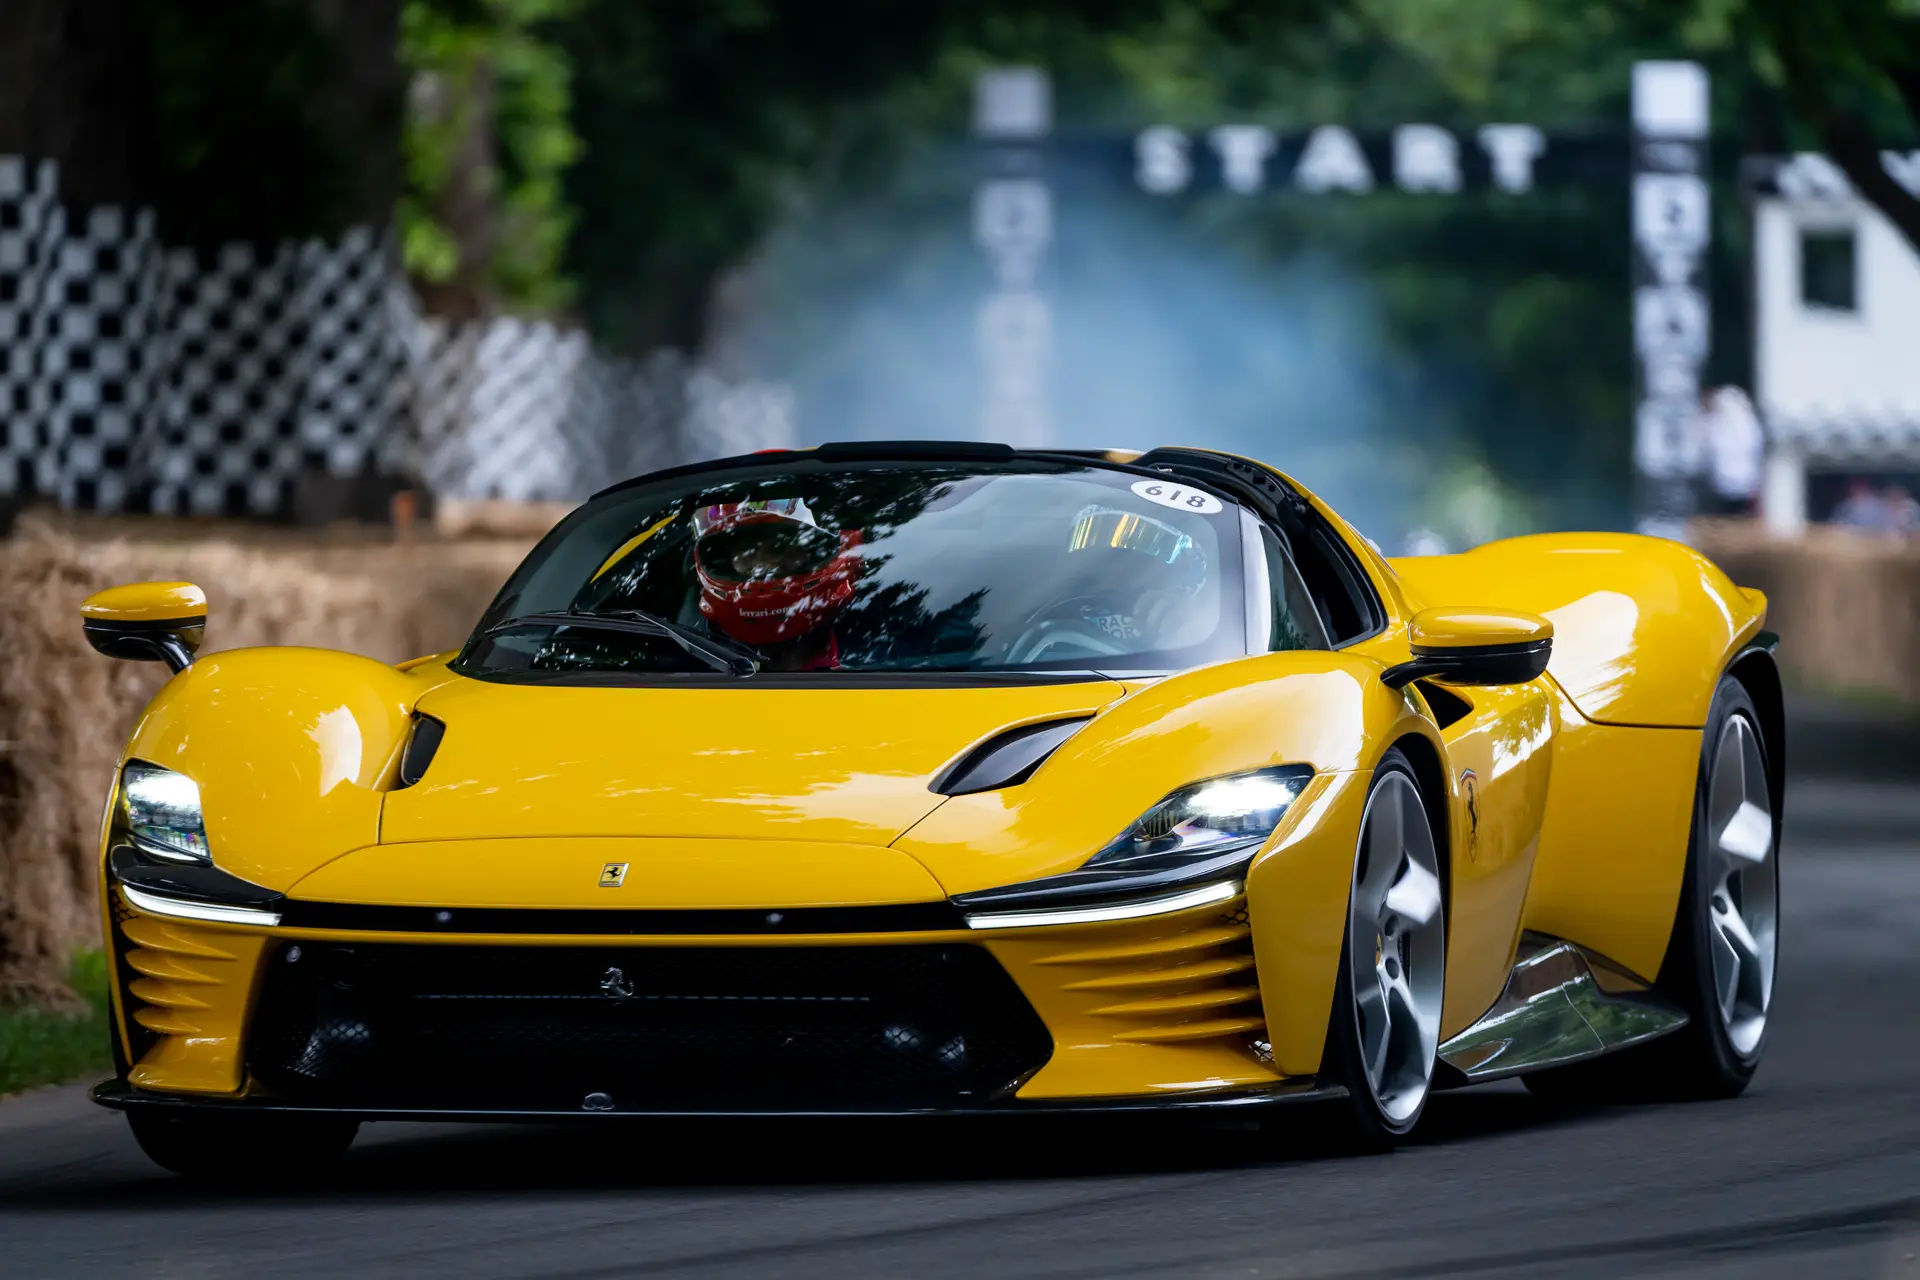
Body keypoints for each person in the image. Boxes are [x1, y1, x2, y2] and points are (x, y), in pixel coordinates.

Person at [691, 498, 863, 671]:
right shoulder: (693, 648)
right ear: (725, 560)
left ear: (811, 551)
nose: (763, 564)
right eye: (747, 550)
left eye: (778, 547)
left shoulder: (869, 640)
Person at [1699, 386, 1765, 516]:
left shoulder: (1744, 422)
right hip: (1723, 479)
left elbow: (1750, 447)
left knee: (1739, 511)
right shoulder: (1717, 422)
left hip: (1742, 479)